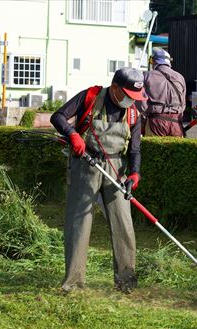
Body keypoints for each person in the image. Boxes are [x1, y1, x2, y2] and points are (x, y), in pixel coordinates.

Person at [50, 67, 147, 293]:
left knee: (124, 225)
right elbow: (58, 117)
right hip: (85, 164)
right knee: (79, 224)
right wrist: (73, 134)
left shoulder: (133, 113)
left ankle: (126, 283)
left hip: (116, 169)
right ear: (115, 88)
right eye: (128, 96)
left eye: (135, 98)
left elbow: (135, 149)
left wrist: (135, 173)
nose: (131, 102)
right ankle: (73, 284)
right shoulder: (90, 97)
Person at [136, 47, 187, 137]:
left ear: (153, 61)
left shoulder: (146, 76)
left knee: (154, 150)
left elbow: (142, 106)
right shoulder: (180, 77)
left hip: (155, 122)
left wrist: (143, 122)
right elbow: (183, 105)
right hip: (176, 124)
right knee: (176, 150)